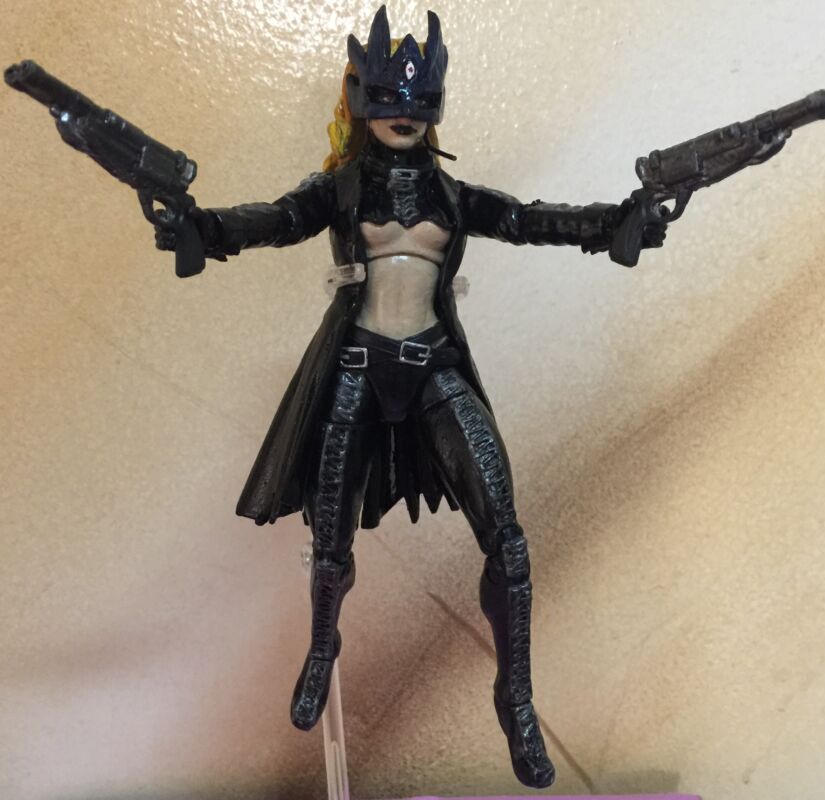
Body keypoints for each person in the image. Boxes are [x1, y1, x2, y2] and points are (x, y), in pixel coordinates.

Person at [155, 6, 665, 789]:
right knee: (330, 544)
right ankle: (322, 646)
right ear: (361, 102)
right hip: (356, 367)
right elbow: (277, 220)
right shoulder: (339, 189)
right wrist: (205, 229)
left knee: (508, 540)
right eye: (388, 99)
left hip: (433, 367)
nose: (403, 113)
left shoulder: (451, 194)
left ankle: (515, 700)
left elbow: (530, 221)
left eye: (418, 100)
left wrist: (618, 223)